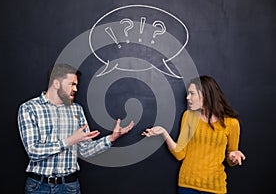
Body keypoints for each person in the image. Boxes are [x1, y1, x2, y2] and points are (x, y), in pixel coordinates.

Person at [18, 63, 134, 194]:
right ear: (56, 84)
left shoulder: (77, 110)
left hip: (69, 187)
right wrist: (69, 141)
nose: (76, 89)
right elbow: (33, 151)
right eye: (72, 84)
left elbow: (85, 150)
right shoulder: (29, 108)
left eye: (76, 85)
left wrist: (111, 138)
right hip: (38, 187)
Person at [142, 75, 245, 194]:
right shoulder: (188, 117)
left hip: (215, 187)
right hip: (187, 185)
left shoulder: (232, 123)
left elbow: (231, 159)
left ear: (205, 95)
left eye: (192, 93)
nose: (187, 97)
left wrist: (233, 157)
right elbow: (180, 154)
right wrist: (164, 133)